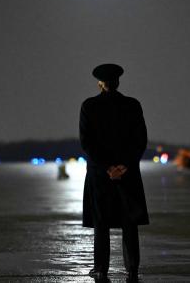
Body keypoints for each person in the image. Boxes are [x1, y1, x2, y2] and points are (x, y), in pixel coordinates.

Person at [80, 63, 149, 282]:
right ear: (118, 82)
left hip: (101, 175)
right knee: (130, 221)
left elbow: (87, 143)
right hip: (127, 174)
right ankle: (132, 268)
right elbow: (140, 140)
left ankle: (100, 268)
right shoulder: (132, 105)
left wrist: (108, 167)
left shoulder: (89, 106)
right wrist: (124, 166)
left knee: (102, 223)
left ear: (100, 83)